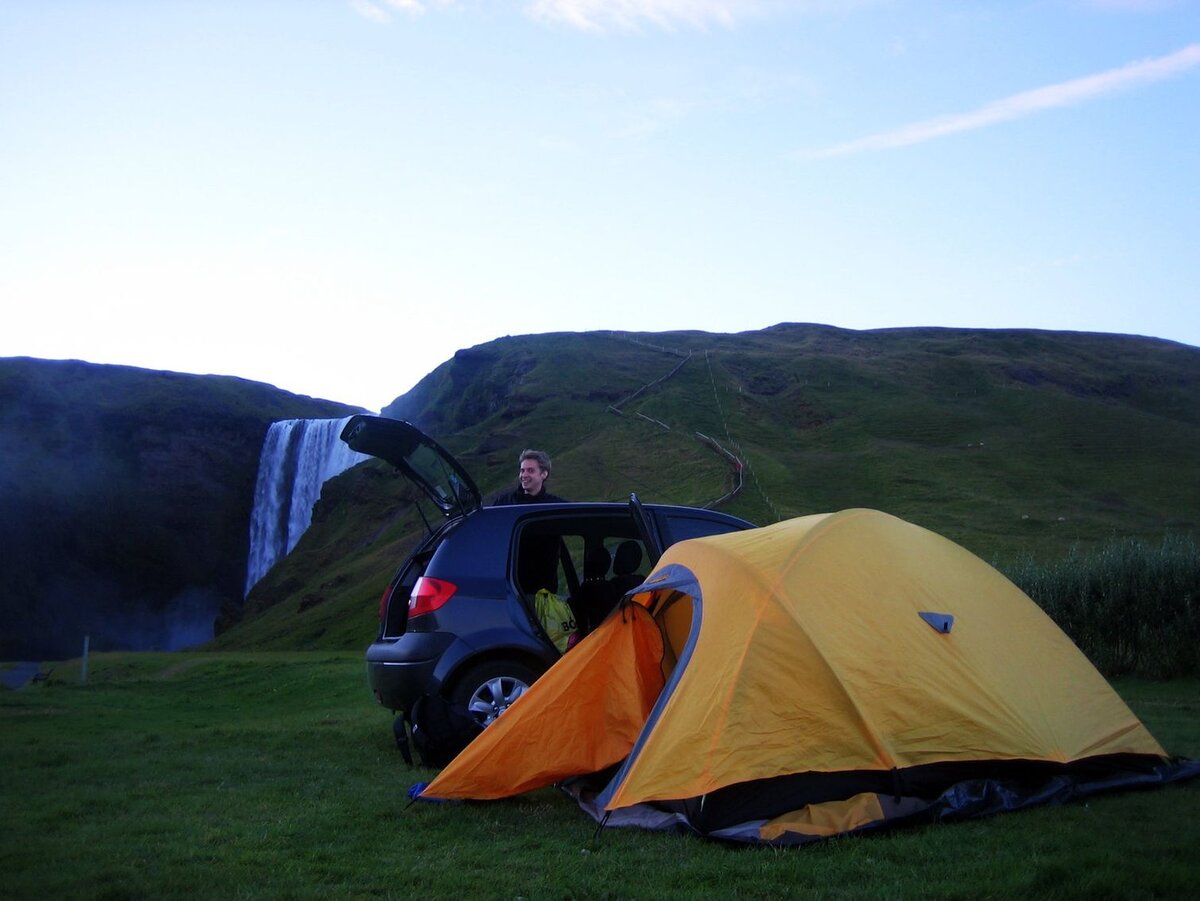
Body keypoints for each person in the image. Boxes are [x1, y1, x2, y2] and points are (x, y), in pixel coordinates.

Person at [491, 449, 567, 505]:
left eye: (530, 470)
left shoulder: (555, 506)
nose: (524, 475)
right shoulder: (503, 502)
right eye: (522, 471)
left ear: (544, 474)